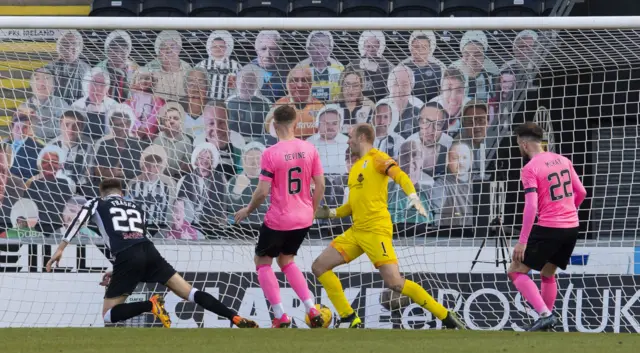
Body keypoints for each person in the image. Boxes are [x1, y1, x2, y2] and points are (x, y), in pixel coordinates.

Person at [45, 178, 258, 328]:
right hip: (149, 250)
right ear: (123, 194)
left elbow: (78, 220)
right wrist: (116, 268)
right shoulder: (136, 207)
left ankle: (151, 304)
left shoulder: (96, 202)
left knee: (108, 315)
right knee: (190, 293)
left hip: (128, 257)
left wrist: (61, 248)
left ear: (103, 194)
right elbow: (137, 236)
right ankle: (235, 317)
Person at [312, 123, 465, 329]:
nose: (347, 141)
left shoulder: (377, 158)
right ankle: (350, 318)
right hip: (356, 232)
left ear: (362, 137)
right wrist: (330, 213)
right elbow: (352, 206)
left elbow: (400, 175)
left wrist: (412, 196)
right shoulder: (356, 166)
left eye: (350, 137)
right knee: (319, 266)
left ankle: (446, 315)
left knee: (395, 283)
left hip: (376, 230)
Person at [234, 105, 326, 329]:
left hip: (279, 218)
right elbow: (321, 184)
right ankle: (312, 308)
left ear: (274, 126)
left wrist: (247, 210)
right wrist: (311, 210)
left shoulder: (271, 153)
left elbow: (263, 192)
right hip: (303, 218)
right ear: (295, 123)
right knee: (287, 260)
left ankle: (280, 316)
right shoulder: (309, 149)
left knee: (263, 262)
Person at [509, 122, 587, 332]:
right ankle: (547, 321)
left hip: (550, 227)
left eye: (518, 144)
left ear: (524, 144)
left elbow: (532, 205)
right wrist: (568, 211)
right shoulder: (563, 160)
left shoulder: (530, 168)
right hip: (572, 227)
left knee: (516, 270)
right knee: (547, 273)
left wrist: (522, 241)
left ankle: (545, 315)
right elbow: (581, 193)